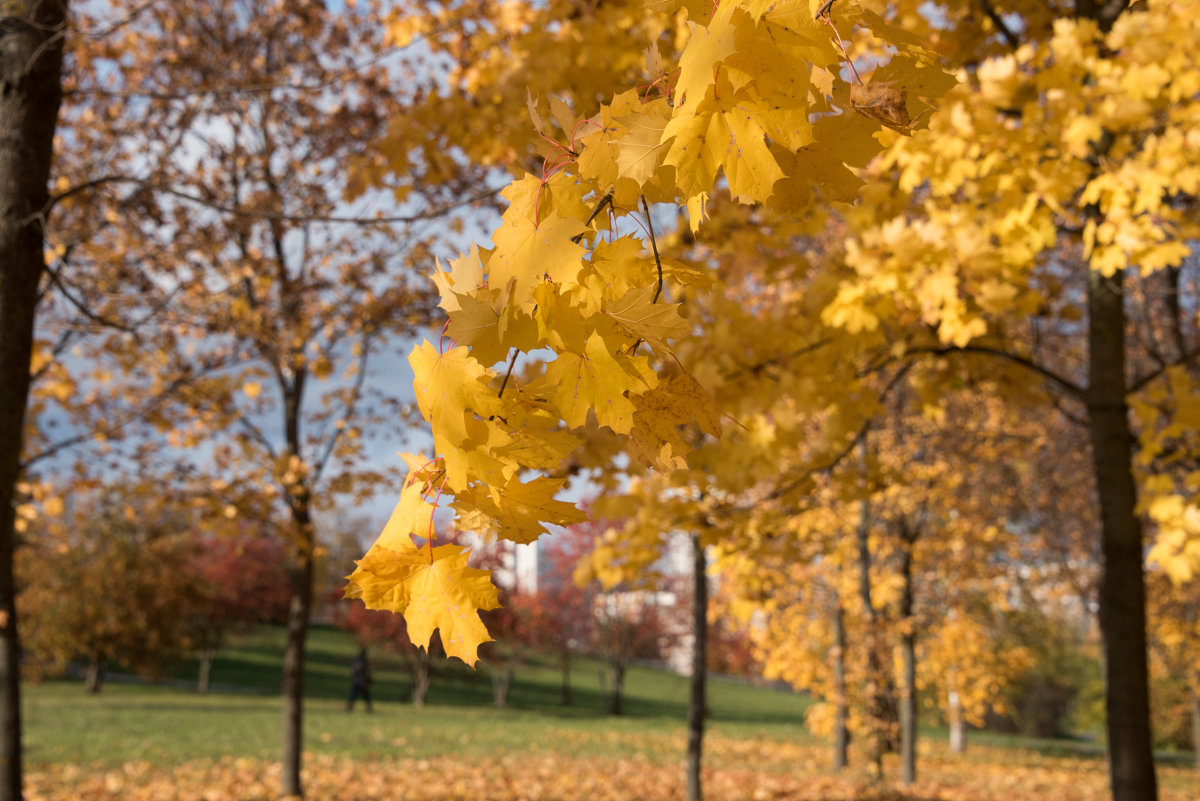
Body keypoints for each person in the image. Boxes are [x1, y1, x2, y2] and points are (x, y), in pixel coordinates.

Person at [347, 646, 373, 712]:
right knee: (364, 696)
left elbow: (353, 671)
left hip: (356, 681)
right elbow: (365, 673)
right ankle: (369, 709)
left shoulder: (356, 661)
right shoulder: (363, 662)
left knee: (355, 696)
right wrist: (367, 681)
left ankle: (349, 708)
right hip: (361, 682)